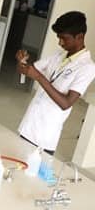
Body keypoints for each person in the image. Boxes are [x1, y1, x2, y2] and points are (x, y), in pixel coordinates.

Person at [17, 11, 95, 154]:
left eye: (64, 38)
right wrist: (21, 61)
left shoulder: (87, 67)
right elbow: (28, 70)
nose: (60, 43)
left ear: (79, 36)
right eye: (59, 38)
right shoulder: (59, 54)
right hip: (28, 125)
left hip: (45, 136)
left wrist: (39, 77)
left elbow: (66, 103)